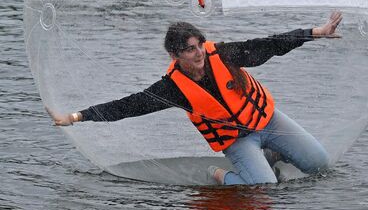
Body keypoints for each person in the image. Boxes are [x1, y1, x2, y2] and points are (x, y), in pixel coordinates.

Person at [47, 11, 343, 185]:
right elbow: (128, 106)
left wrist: (316, 32)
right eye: (190, 49)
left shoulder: (223, 54)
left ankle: (272, 153)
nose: (199, 51)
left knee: (319, 165)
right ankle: (221, 176)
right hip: (237, 141)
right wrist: (77, 117)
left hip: (268, 121)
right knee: (263, 189)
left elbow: (269, 45)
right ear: (175, 55)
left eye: (199, 44)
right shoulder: (172, 89)